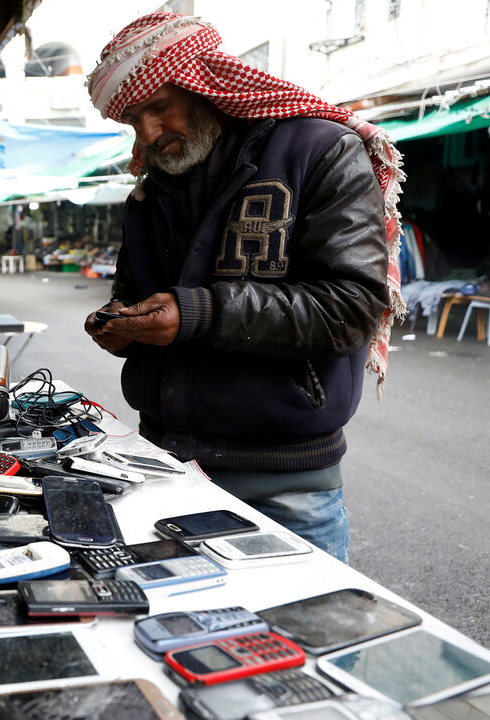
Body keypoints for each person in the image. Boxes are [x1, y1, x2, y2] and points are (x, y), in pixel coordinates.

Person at [82, 12, 405, 563]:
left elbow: (351, 306)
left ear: (204, 84)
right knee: (181, 640)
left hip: (288, 487)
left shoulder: (318, 152)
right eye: (135, 119)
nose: (149, 133)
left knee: (309, 642)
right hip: (167, 469)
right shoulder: (152, 187)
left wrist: (197, 315)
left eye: (158, 107)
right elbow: (134, 289)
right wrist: (121, 323)